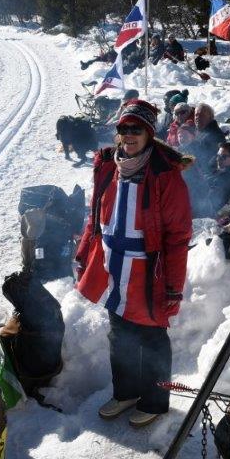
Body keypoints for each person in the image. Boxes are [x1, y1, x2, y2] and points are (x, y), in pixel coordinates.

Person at [75, 100, 193, 428]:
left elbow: (178, 237)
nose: (128, 135)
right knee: (120, 336)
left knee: (152, 339)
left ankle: (154, 402)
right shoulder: (108, 166)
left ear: (149, 133)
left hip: (148, 272)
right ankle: (125, 393)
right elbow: (94, 218)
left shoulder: (165, 175)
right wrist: (83, 255)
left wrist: (173, 287)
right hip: (113, 268)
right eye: (123, 128)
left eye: (136, 129)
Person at [198, 141, 230, 223]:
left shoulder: (226, 178)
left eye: (223, 157)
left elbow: (212, 202)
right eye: (218, 156)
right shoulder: (222, 172)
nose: (218, 159)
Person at [192, 103, 227, 170]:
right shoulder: (201, 132)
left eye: (201, 115)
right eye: (196, 115)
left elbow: (214, 159)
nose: (197, 117)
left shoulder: (215, 135)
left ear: (210, 117)